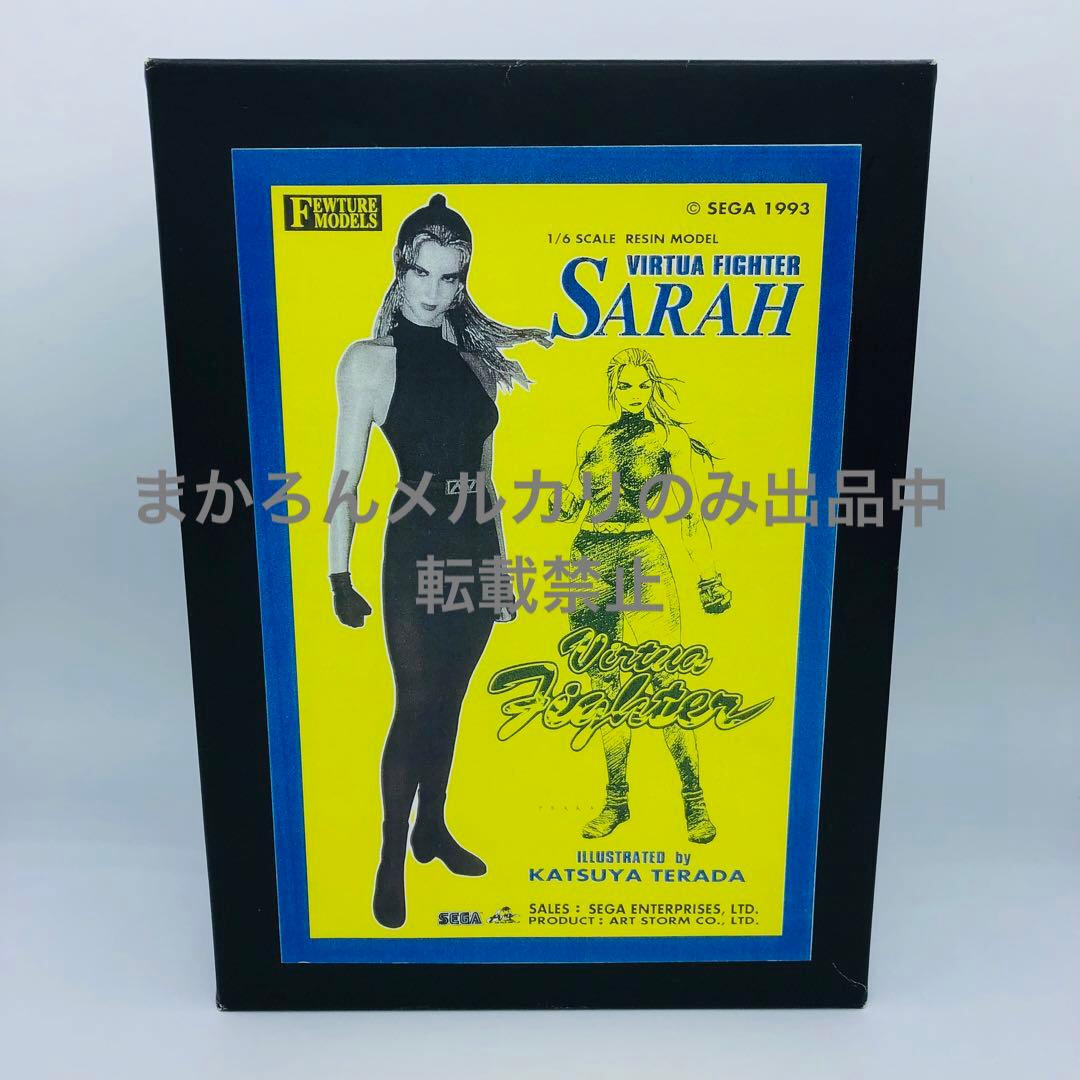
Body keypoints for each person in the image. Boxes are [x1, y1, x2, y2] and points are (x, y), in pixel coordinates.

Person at [327, 194, 550, 928]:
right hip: (416, 543)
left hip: (474, 549)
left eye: (449, 277)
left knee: (450, 702)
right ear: (400, 270)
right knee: (417, 703)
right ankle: (392, 856)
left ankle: (433, 829)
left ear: (463, 280)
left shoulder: (474, 363)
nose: (433, 290)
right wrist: (338, 573)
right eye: (421, 272)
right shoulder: (368, 363)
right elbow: (347, 477)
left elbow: (486, 477)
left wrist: (503, 571)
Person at [554, 347, 732, 843]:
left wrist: (708, 578)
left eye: (642, 384)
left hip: (640, 555)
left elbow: (690, 515)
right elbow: (571, 501)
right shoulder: (591, 437)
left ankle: (695, 803)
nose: (634, 394)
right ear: (613, 389)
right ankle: (616, 802)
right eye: (625, 385)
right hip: (587, 559)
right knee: (603, 689)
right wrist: (558, 504)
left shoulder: (670, 439)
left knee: (665, 684)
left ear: (653, 386)